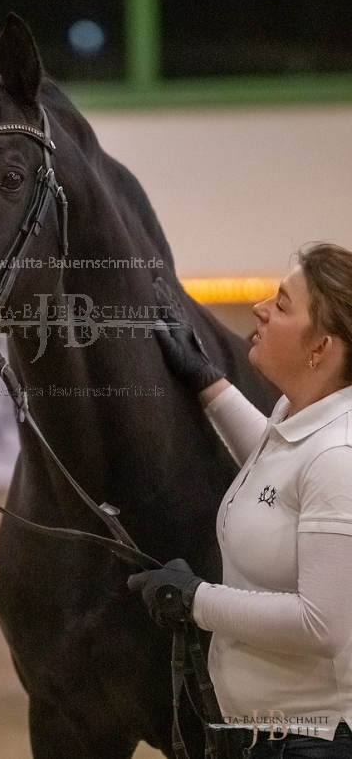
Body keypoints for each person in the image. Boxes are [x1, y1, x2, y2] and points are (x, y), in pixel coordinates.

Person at [128, 242, 352, 758]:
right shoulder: (296, 418)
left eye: (282, 303)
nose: (261, 309)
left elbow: (321, 624)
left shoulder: (338, 455)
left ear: (320, 347)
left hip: (314, 743)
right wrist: (206, 379)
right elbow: (278, 473)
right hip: (270, 739)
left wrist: (196, 600)